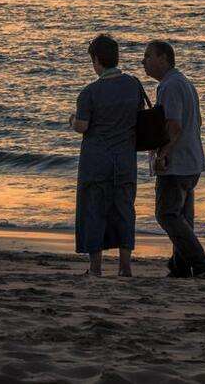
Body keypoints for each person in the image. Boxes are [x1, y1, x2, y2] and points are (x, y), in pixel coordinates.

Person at [142, 40, 205, 278]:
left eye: (148, 57)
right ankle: (180, 266)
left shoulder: (170, 86)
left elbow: (173, 126)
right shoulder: (184, 82)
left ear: (164, 58)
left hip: (178, 163)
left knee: (167, 214)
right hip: (191, 160)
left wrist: (162, 155)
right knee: (182, 217)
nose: (143, 62)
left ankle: (201, 261)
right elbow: (196, 122)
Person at [70, 33, 145, 277]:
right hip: (125, 160)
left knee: (94, 212)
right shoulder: (133, 85)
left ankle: (96, 268)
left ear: (96, 60)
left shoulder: (89, 92)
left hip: (97, 161)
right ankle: (125, 267)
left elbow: (82, 126)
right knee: (124, 211)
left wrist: (71, 119)